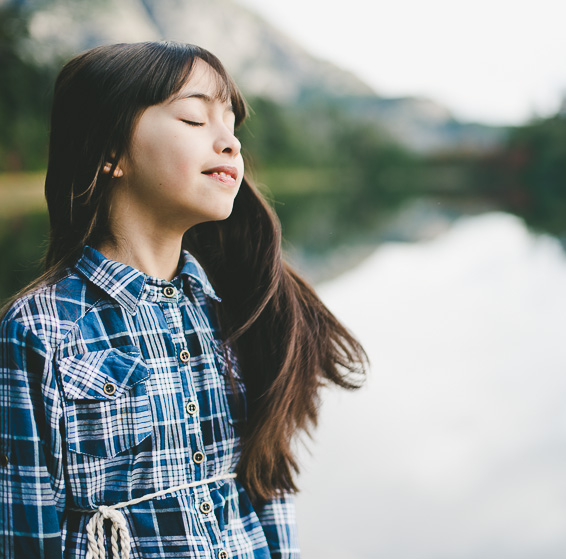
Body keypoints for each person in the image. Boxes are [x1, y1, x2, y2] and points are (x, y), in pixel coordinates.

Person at [0, 41, 366, 559]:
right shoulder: (37, 328)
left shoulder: (242, 308)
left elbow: (267, 493)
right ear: (110, 152)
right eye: (195, 119)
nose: (229, 144)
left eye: (231, 125)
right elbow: (24, 534)